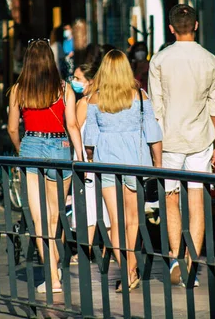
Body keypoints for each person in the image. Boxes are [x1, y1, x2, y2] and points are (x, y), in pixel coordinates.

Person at [148, 4, 215, 287]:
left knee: (170, 199)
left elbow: (155, 107)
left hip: (168, 139)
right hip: (201, 138)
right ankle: (192, 262)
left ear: (170, 28)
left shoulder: (159, 60)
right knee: (196, 202)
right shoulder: (209, 60)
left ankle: (174, 257)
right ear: (195, 26)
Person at [7, 39, 83, 294]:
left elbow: (11, 127)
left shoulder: (19, 89)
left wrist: (21, 149)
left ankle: (52, 276)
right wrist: (80, 155)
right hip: (60, 149)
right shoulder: (64, 88)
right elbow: (72, 124)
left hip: (31, 147)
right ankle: (55, 266)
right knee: (55, 216)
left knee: (39, 219)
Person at [84, 50, 162, 293]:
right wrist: (158, 164)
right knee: (133, 220)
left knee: (115, 221)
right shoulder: (140, 95)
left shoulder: (95, 99)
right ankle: (132, 269)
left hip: (106, 162)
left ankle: (127, 270)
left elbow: (90, 140)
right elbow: (153, 133)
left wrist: (90, 160)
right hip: (135, 162)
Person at [70, 63, 111, 251]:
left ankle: (85, 249)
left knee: (87, 204)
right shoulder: (105, 100)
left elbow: (74, 127)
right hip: (103, 157)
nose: (74, 82)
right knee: (106, 204)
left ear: (91, 81)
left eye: (78, 79)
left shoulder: (84, 103)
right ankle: (109, 248)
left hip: (85, 157)